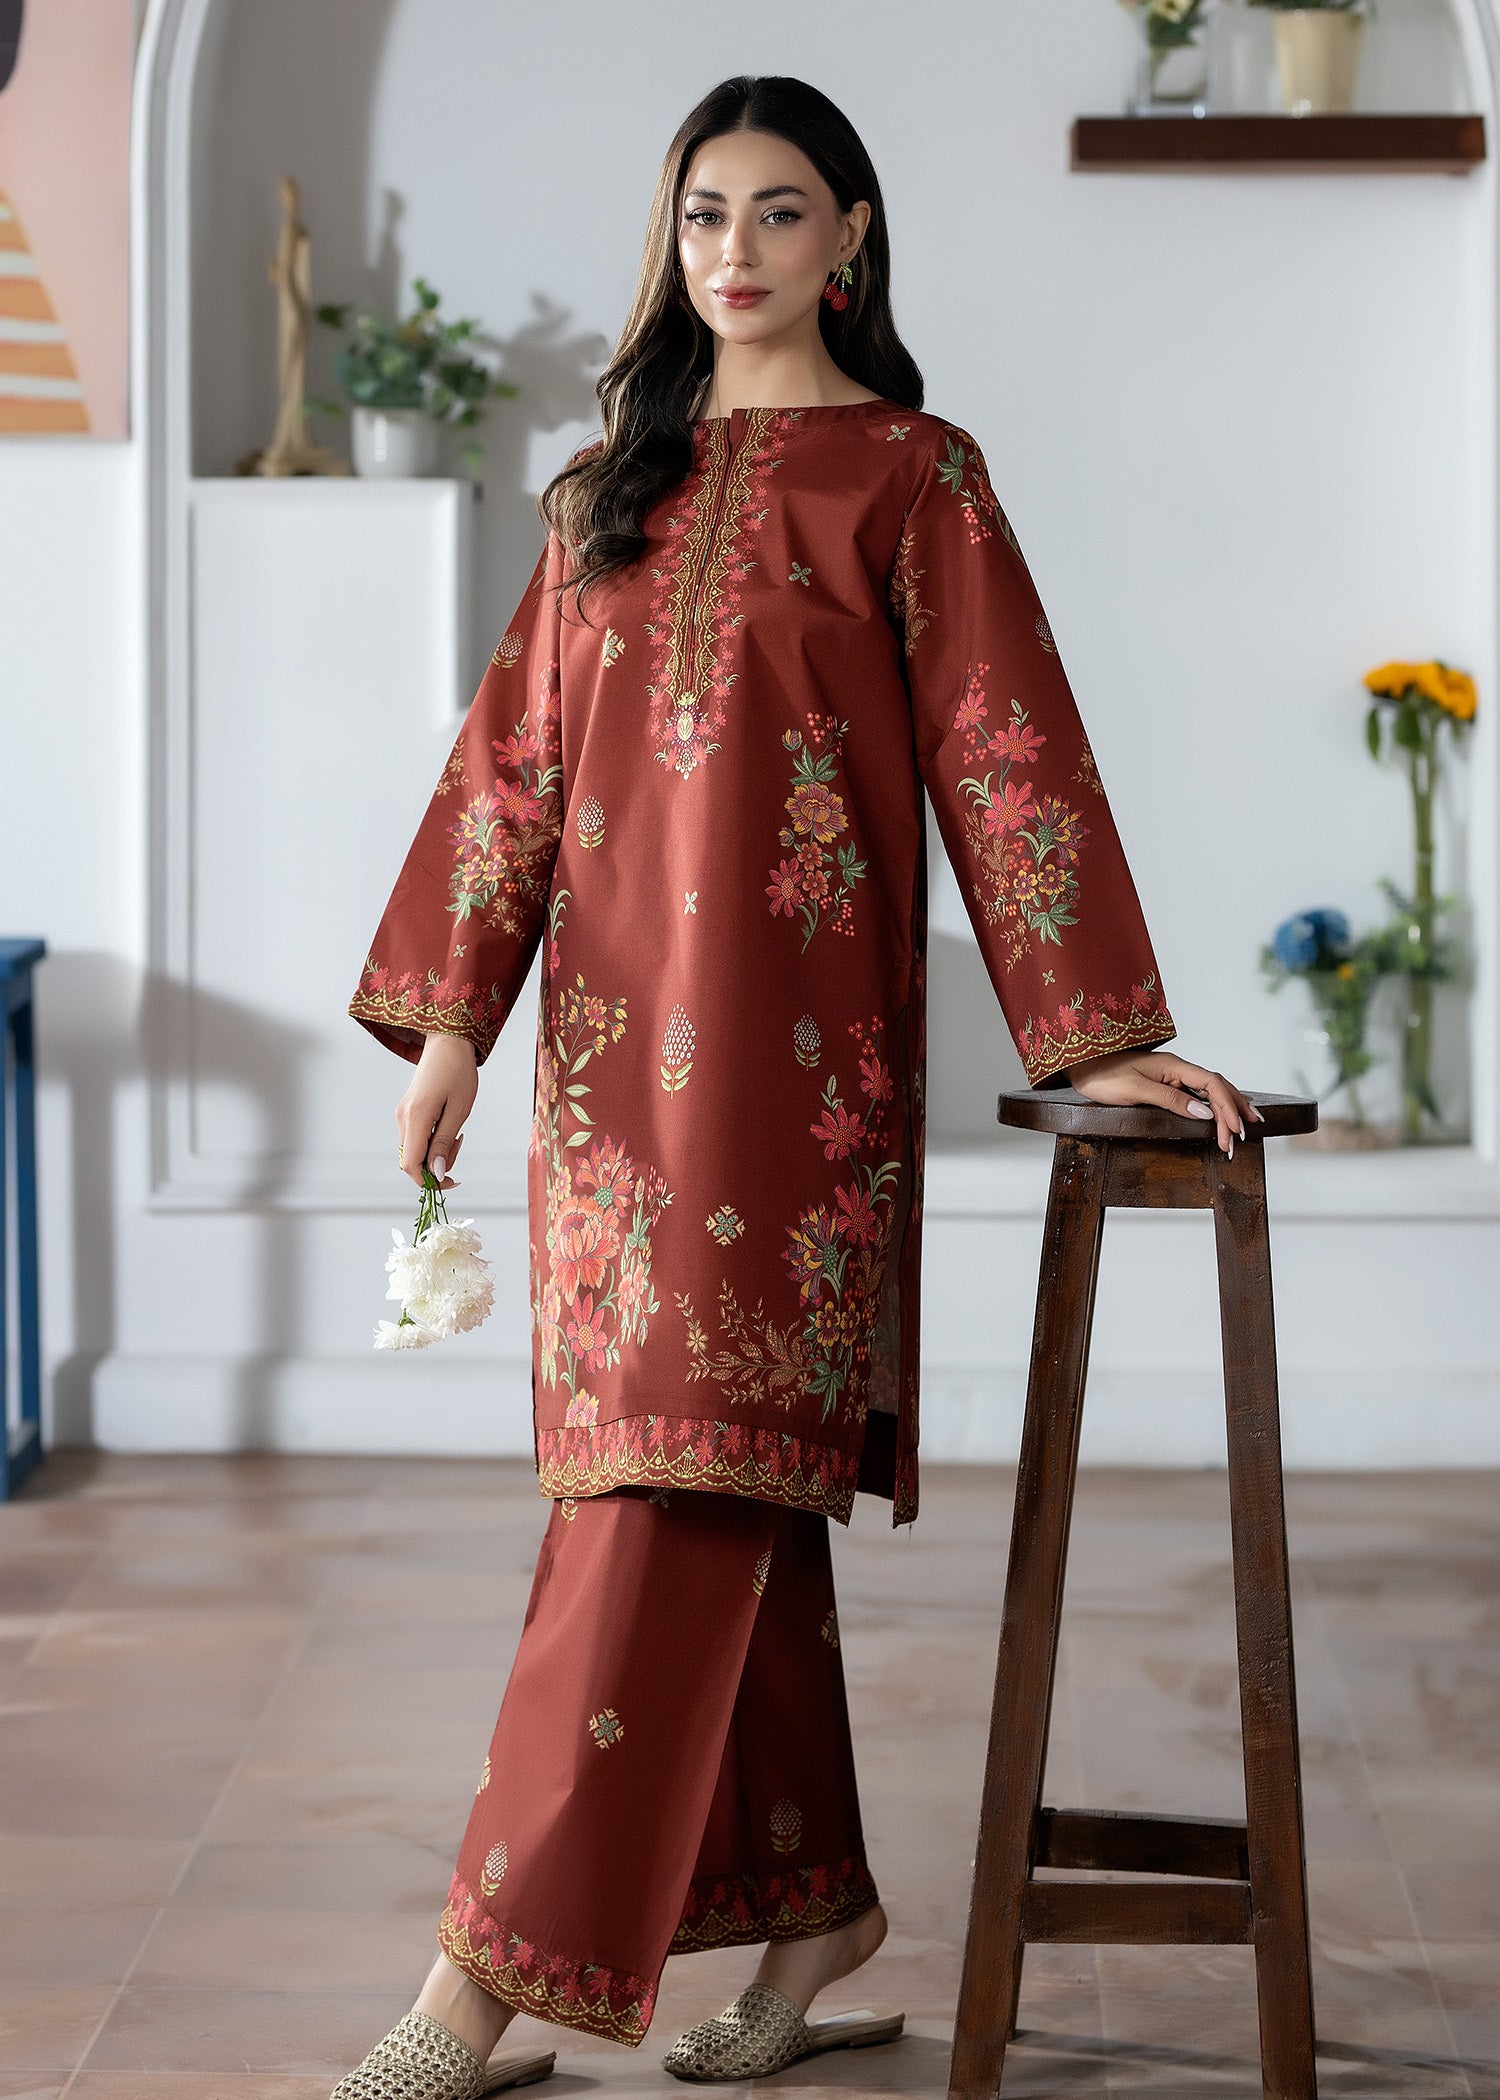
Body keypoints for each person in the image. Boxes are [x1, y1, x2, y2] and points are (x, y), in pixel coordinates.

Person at [334, 73, 1257, 2100]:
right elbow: (513, 774)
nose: (731, 252)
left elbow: (1006, 748)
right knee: (668, 1477)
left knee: (666, 1495)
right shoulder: (605, 496)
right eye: (701, 216)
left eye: (773, 212)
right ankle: (815, 1912)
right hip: (605, 1089)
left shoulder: (913, 480)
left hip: (791, 1090)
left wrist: (1096, 1023)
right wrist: (458, 1027)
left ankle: (475, 1993)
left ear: (849, 236)